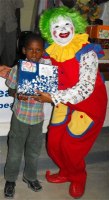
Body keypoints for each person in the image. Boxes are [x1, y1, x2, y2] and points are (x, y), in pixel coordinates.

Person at [35, 6, 108, 199]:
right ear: (49, 31)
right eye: (56, 26)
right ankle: (66, 171)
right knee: (53, 143)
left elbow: (85, 89)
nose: (63, 29)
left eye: (67, 23)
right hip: (64, 100)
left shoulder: (86, 52)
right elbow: (37, 75)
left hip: (89, 104)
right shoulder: (50, 52)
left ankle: (78, 176)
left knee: (70, 145)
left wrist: (53, 97)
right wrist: (12, 72)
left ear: (75, 26)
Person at [4, 33, 48, 199]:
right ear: (24, 51)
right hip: (20, 117)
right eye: (30, 49)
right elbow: (10, 88)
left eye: (38, 50)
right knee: (15, 151)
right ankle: (10, 180)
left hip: (37, 119)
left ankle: (30, 177)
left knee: (33, 152)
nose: (34, 53)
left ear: (43, 51)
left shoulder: (46, 70)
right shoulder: (17, 68)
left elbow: (50, 91)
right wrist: (17, 94)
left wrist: (47, 94)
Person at [0, 0, 24, 67]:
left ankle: (6, 74)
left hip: (11, 27)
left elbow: (17, 9)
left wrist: (18, 28)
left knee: (10, 56)